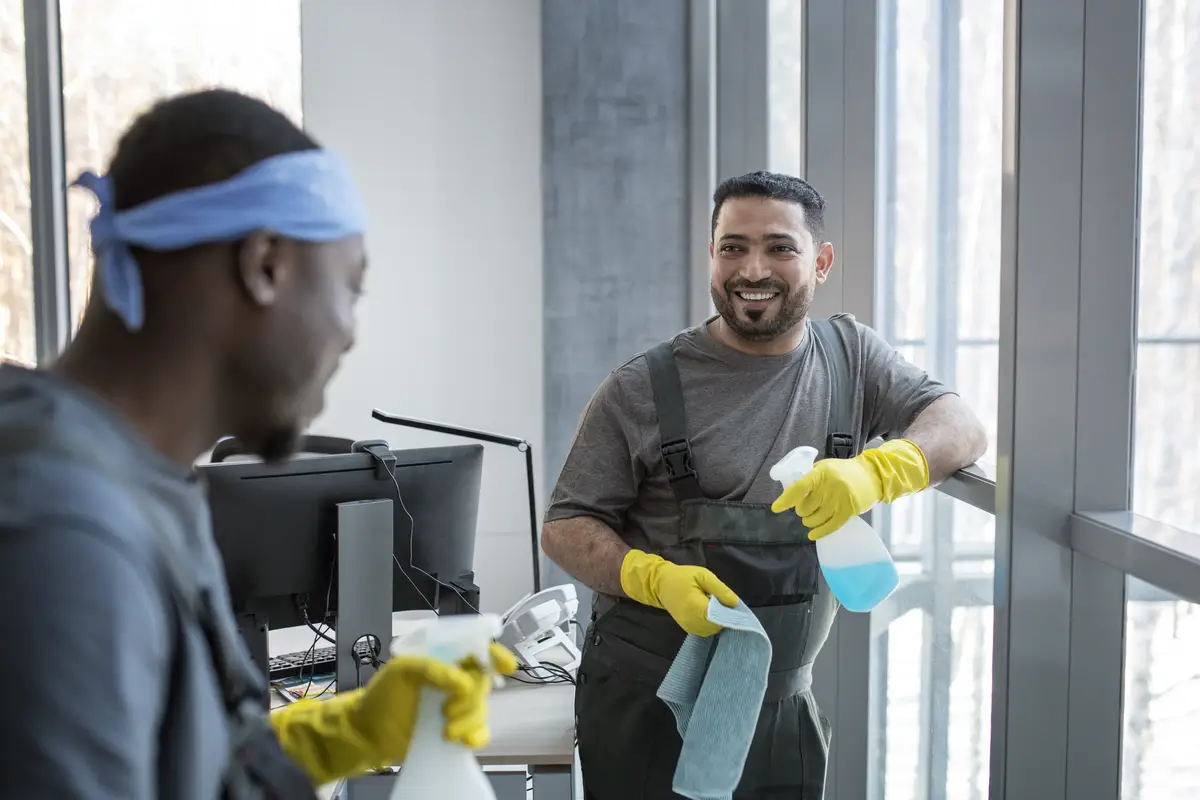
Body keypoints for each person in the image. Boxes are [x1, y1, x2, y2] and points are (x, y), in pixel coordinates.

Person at [0, 88, 515, 799]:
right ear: (266, 263)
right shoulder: (64, 531)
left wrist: (352, 730)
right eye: (350, 287)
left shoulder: (140, 485)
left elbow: (184, 761)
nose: (349, 331)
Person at [542, 171, 987, 799]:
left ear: (821, 261)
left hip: (780, 709)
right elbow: (565, 526)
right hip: (646, 704)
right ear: (712, 257)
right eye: (733, 247)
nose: (753, 269)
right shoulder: (643, 385)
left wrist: (878, 472)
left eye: (780, 247)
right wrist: (651, 577)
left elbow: (962, 426)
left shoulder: (851, 358)